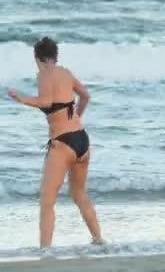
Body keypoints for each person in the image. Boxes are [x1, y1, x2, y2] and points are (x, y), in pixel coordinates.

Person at [8, 37, 104, 248]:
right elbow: (86, 96)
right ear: (54, 56)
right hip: (82, 140)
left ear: (38, 58)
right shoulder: (66, 72)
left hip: (63, 144)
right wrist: (76, 117)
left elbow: (46, 102)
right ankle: (99, 240)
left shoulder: (43, 74)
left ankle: (45, 251)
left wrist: (21, 98)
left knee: (47, 201)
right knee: (79, 194)